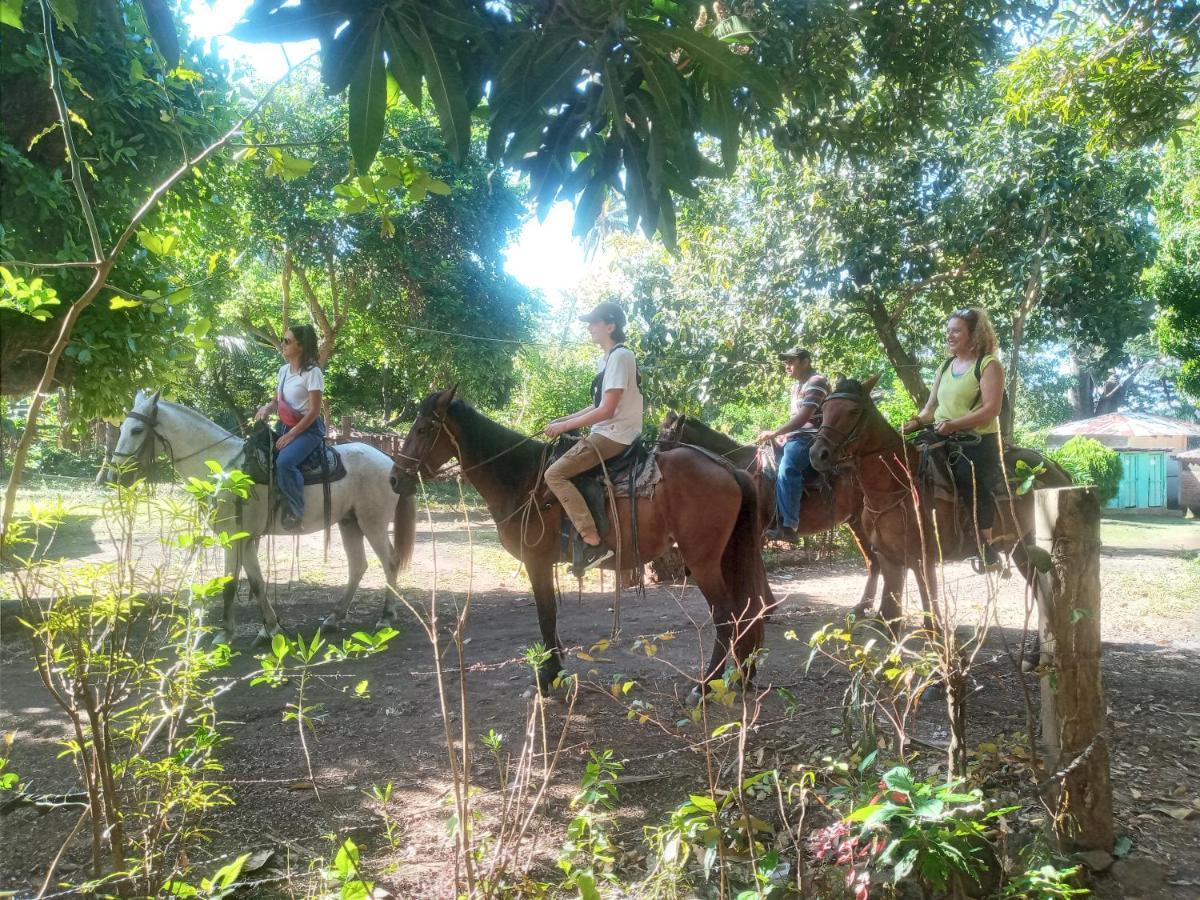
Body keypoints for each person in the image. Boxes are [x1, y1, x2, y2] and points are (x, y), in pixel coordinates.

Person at [901, 307, 1005, 567]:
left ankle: (985, 546)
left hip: (976, 441)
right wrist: (912, 423)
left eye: (956, 330)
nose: (950, 335)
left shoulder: (988, 365)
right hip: (941, 435)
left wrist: (954, 425)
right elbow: (930, 409)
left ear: (975, 334)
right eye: (948, 331)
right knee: (906, 463)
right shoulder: (946, 366)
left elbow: (992, 409)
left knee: (966, 479)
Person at [543, 302, 644, 565]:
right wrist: (564, 420)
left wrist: (563, 428)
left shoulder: (621, 356)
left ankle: (592, 542)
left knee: (554, 474)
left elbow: (608, 410)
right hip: (611, 430)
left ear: (610, 326)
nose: (589, 328)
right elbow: (599, 404)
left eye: (593, 323)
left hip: (614, 434)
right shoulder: (607, 358)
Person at [254, 324, 326, 531]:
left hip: (308, 429)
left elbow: (313, 411)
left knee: (285, 462)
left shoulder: (313, 373)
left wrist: (291, 436)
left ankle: (296, 513)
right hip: (284, 424)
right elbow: (277, 401)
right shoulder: (283, 371)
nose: (282, 344)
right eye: (283, 340)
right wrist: (267, 407)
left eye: (287, 341)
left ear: (301, 346)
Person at [757, 348, 830, 543]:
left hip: (812, 438)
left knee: (788, 468)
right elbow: (795, 421)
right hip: (796, 437)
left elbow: (804, 417)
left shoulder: (817, 381)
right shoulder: (796, 387)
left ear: (806, 362)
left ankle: (789, 525)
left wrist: (775, 433)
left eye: (791, 361)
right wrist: (783, 436)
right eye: (786, 361)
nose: (786, 365)